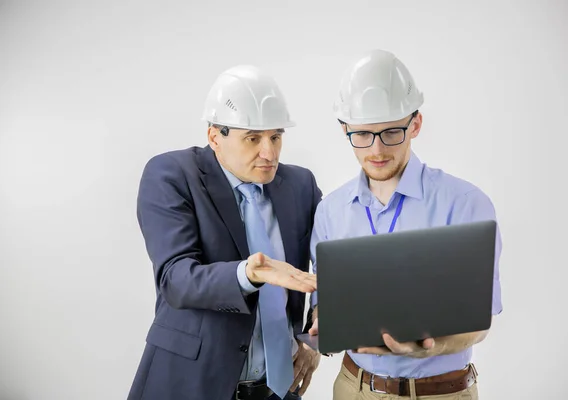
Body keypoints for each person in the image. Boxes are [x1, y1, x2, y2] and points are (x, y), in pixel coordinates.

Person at [307, 49, 503, 400]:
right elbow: (324, 300)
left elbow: (479, 322)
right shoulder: (330, 211)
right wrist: (324, 323)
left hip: (440, 393)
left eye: (391, 133)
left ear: (415, 124)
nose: (377, 149)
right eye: (363, 135)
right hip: (354, 388)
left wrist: (431, 347)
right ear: (345, 129)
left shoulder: (465, 205)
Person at [127, 65, 322, 400]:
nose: (269, 153)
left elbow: (329, 261)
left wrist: (313, 336)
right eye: (253, 138)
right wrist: (247, 273)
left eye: (276, 136)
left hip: (275, 389)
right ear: (215, 136)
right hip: (190, 384)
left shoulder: (300, 185)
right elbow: (175, 278)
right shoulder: (172, 175)